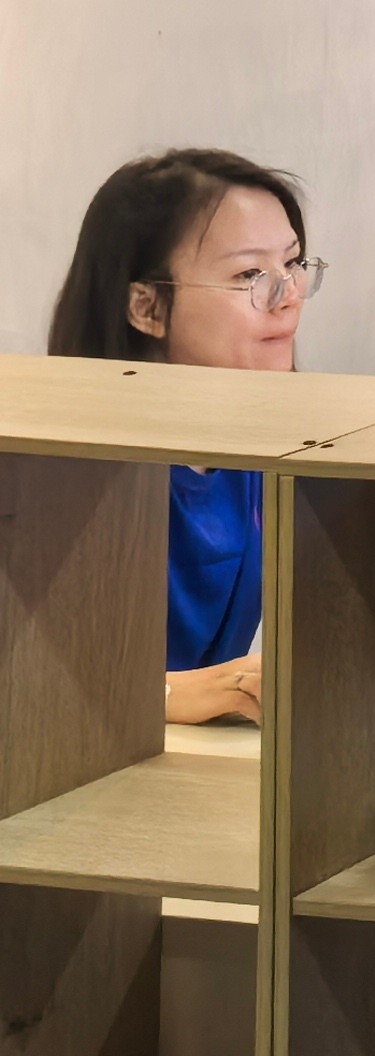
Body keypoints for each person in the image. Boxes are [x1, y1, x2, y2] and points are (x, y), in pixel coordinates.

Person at [43, 150, 326, 727]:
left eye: (292, 264)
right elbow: (32, 677)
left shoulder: (274, 440)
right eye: (249, 276)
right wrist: (163, 695)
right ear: (145, 307)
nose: (288, 296)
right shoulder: (54, 476)